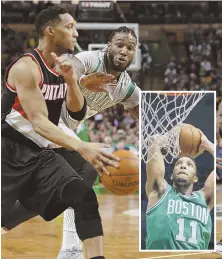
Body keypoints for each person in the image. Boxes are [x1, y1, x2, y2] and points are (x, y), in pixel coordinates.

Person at [2, 25, 140, 259]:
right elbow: (64, 71)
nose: (124, 51)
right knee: (84, 170)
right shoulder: (88, 59)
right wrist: (81, 80)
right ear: (108, 46)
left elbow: (146, 114)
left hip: (62, 128)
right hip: (43, 117)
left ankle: (5, 224)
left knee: (66, 184)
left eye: (130, 47)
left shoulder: (127, 88)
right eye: (119, 45)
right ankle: (71, 248)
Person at [145, 129, 214, 250]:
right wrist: (169, 138)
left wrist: (209, 146)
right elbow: (153, 141)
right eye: (178, 164)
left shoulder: (204, 198)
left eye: (189, 165)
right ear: (171, 176)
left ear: (195, 178)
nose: (183, 165)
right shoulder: (160, 193)